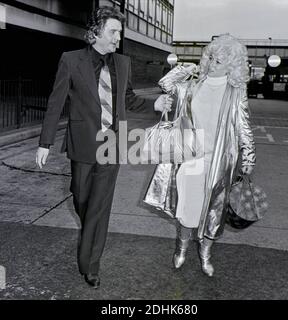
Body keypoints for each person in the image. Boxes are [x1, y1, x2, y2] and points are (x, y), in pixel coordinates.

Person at [35, 6, 150, 289]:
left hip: (112, 143)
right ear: (96, 31)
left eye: (119, 33)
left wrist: (155, 104)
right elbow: (56, 101)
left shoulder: (123, 63)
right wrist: (45, 142)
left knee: (99, 207)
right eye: (113, 31)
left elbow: (130, 98)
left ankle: (90, 265)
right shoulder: (71, 60)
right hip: (83, 143)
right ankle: (90, 236)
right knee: (81, 198)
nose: (117, 38)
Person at [149, 34, 256, 277]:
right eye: (211, 57)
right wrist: (185, 68)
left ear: (232, 65)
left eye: (220, 60)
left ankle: (206, 254)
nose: (213, 62)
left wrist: (248, 156)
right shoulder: (194, 83)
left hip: (219, 160)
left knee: (214, 211)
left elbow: (243, 125)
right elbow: (165, 84)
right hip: (191, 158)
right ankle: (182, 248)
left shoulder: (236, 91)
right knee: (188, 208)